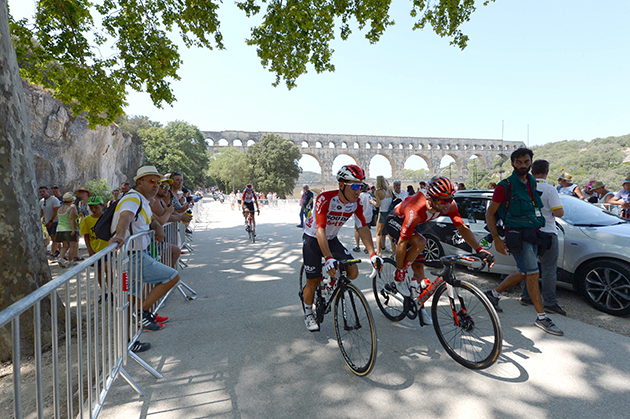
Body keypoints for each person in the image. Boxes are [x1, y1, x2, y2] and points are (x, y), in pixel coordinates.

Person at [386, 176, 494, 324]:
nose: (448, 204)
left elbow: (462, 227)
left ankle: (420, 307)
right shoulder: (415, 208)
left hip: (417, 223)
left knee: (419, 271)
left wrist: (479, 249)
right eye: (443, 200)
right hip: (396, 220)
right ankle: (398, 276)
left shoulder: (449, 204)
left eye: (450, 199)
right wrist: (400, 270)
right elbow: (401, 243)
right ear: (431, 198)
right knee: (420, 242)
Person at [485, 147, 564, 336]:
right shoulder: (505, 185)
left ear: (531, 162)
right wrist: (496, 238)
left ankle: (492, 294)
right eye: (519, 162)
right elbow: (490, 213)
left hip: (533, 233)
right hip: (516, 235)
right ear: (512, 163)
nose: (523, 165)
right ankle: (542, 317)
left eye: (526, 162)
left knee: (524, 271)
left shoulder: (531, 183)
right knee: (532, 272)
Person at [301, 165, 382, 331]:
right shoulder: (325, 198)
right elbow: (320, 229)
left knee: (352, 271)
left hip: (331, 238)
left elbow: (363, 227)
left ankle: (328, 284)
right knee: (312, 281)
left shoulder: (356, 203)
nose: (358, 191)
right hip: (313, 238)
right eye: (354, 186)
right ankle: (309, 313)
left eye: (360, 186)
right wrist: (329, 258)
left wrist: (373, 254)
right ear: (341, 185)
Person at [109, 166, 181, 333]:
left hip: (134, 255)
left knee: (130, 297)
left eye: (158, 182)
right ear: (139, 182)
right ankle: (142, 312)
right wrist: (120, 235)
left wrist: (158, 228)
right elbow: (125, 216)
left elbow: (149, 221)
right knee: (172, 276)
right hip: (133, 255)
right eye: (151, 181)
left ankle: (128, 339)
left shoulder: (143, 201)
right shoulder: (133, 199)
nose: (156, 185)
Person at [520, 159, 566, 316]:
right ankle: (550, 303)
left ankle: (526, 297)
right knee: (548, 270)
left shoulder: (523, 187)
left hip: (528, 233)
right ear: (547, 172)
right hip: (547, 233)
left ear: (531, 172)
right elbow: (559, 213)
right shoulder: (550, 189)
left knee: (528, 268)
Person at [56, 192, 79, 268]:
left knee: (65, 245)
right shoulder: (71, 208)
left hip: (60, 229)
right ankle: (70, 261)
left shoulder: (60, 209)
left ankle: (61, 258)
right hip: (68, 228)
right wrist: (73, 229)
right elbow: (71, 219)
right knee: (73, 246)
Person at [39, 186, 61, 260]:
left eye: (43, 191)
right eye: (40, 192)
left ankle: (52, 254)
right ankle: (60, 253)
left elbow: (56, 211)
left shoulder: (54, 200)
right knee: (53, 238)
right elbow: (42, 211)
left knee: (54, 237)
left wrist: (51, 221)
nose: (42, 193)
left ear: (47, 192)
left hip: (55, 221)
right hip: (48, 222)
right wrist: (42, 219)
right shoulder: (41, 201)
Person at [374, 176, 393, 256]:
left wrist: (372, 202)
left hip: (382, 213)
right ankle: (394, 253)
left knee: (378, 233)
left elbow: (378, 205)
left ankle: (379, 252)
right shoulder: (389, 190)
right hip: (390, 213)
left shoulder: (377, 191)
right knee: (390, 234)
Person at [352, 183, 374, 253]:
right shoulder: (369, 196)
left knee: (357, 230)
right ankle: (366, 247)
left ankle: (358, 246)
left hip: (360, 216)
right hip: (368, 216)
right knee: (367, 231)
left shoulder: (359, 196)